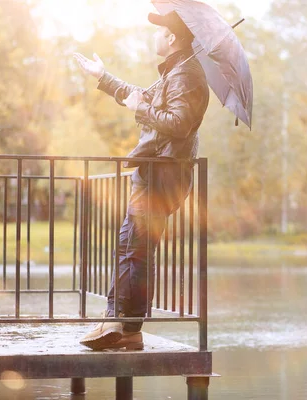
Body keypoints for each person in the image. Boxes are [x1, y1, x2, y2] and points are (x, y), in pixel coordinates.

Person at [74, 11, 209, 351]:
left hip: (161, 176)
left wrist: (141, 110)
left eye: (160, 31)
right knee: (131, 247)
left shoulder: (187, 75)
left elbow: (177, 123)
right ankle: (123, 324)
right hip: (154, 173)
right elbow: (144, 97)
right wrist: (104, 78)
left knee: (135, 250)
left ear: (172, 39)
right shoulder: (177, 72)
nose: (156, 37)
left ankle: (124, 323)